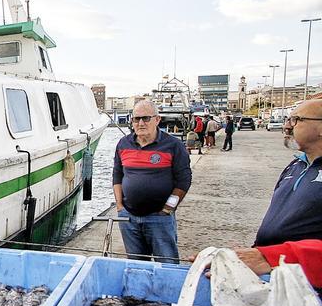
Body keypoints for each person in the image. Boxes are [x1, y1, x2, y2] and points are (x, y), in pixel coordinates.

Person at [216, 99, 322, 288]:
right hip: (277, 277)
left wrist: (270, 257)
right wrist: (255, 253)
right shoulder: (295, 166)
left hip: (308, 286)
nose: (287, 126)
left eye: (296, 120)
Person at [113, 100, 192, 262]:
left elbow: (183, 181)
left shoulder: (173, 145)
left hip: (160, 219)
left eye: (146, 118)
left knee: (167, 264)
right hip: (128, 218)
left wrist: (167, 209)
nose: (140, 123)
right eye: (136, 119)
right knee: (136, 265)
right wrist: (120, 206)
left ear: (157, 120)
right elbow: (117, 175)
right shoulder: (123, 144)